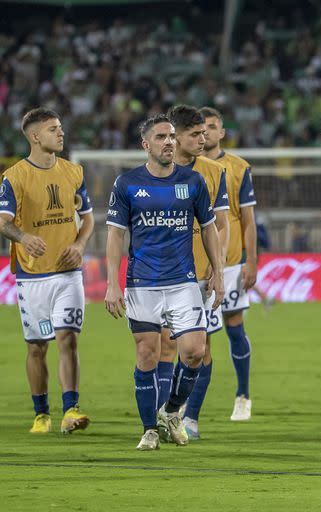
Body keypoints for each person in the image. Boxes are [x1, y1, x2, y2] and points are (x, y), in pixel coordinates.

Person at [104, 114, 224, 450]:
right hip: (142, 282)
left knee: (195, 352)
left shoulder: (193, 182)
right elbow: (115, 235)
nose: (169, 142)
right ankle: (150, 430)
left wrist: (218, 271)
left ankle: (172, 410)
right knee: (147, 353)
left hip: (184, 282)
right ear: (146, 144)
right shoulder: (126, 183)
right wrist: (112, 283)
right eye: (161, 137)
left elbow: (210, 227)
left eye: (172, 136)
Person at [0, 108, 93, 434]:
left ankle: (71, 409)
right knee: (37, 347)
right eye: (54, 129)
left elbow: (89, 218)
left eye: (61, 127)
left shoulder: (74, 173)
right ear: (35, 136)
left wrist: (80, 246)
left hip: (68, 273)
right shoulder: (14, 177)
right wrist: (24, 237)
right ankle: (41, 414)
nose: (61, 133)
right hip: (32, 276)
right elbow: (3, 222)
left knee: (67, 338)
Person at [155, 105, 229, 442]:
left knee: (201, 349)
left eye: (205, 133)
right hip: (164, 276)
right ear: (177, 136)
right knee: (165, 348)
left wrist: (218, 269)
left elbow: (222, 224)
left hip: (201, 275)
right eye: (195, 135)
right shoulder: (156, 172)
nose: (203, 139)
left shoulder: (215, 172)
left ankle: (191, 416)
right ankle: (162, 416)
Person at [196, 106, 258, 426]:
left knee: (235, 328)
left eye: (212, 127)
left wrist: (251, 260)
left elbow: (247, 219)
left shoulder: (238, 168)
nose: (206, 132)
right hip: (196, 265)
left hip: (231, 262)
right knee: (198, 337)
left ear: (221, 132)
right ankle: (189, 408)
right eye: (201, 128)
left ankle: (243, 395)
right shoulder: (187, 168)